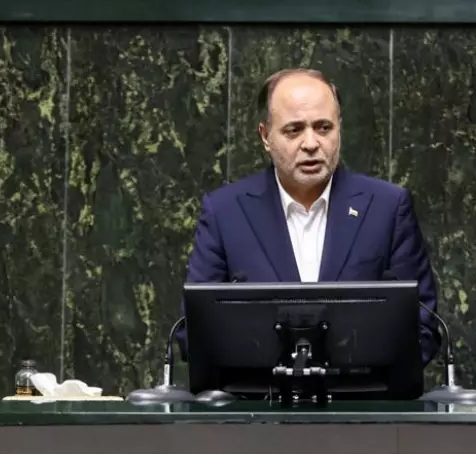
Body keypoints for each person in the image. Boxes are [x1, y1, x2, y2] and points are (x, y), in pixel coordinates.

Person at [182, 68, 440, 365]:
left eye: (323, 127)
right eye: (294, 130)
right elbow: (194, 332)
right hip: (258, 394)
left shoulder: (387, 208)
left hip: (360, 391)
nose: (311, 143)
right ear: (265, 136)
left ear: (339, 129)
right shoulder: (225, 213)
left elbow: (422, 325)